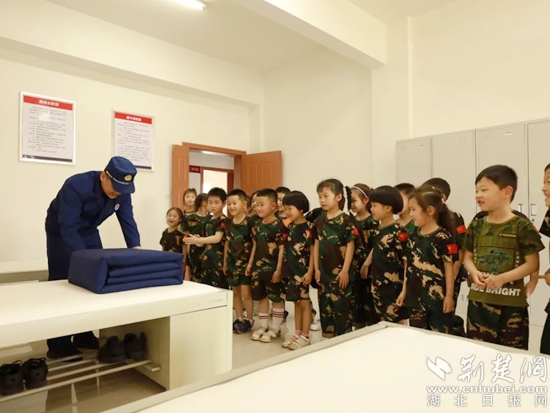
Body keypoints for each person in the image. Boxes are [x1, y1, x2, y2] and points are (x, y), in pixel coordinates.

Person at [45, 156, 141, 359]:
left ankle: (83, 334)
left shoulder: (122, 192)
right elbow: (68, 226)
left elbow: (127, 220)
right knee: (63, 281)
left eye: (122, 189)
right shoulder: (77, 185)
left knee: (94, 279)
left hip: (88, 231)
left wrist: (136, 247)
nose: (117, 193)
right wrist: (83, 259)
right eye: (114, 187)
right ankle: (58, 344)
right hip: (61, 231)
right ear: (103, 176)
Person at [463, 165, 544, 349]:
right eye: (476, 191)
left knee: (511, 356)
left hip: (511, 306)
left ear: (507, 192)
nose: (478, 195)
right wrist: (474, 272)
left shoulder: (522, 226)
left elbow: (532, 264)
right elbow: (467, 257)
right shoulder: (476, 225)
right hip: (478, 305)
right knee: (478, 353)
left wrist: (502, 279)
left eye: (484, 190)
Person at [403, 186, 457, 334]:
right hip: (415, 298)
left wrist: (449, 296)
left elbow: (449, 268)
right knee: (417, 336)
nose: (411, 214)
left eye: (414, 209)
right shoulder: (413, 235)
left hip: (437, 299)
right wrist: (404, 291)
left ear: (430, 211)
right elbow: (408, 265)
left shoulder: (443, 237)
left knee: (438, 337)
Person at [314, 179, 358, 338]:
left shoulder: (346, 221)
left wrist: (345, 270)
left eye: (326, 196)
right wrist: (316, 269)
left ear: (338, 197)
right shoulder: (319, 221)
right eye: (320, 197)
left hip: (340, 275)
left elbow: (351, 246)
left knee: (342, 312)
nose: (322, 200)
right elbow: (316, 244)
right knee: (326, 312)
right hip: (324, 274)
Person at [363, 186, 409, 324]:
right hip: (379, 286)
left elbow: (407, 262)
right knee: (383, 322)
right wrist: (367, 263)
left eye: (375, 206)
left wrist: (404, 291)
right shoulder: (378, 229)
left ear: (388, 208)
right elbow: (378, 246)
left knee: (398, 324)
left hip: (394, 289)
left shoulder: (399, 232)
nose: (371, 209)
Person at [247, 189, 287, 342]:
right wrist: (250, 264)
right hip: (258, 269)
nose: (258, 208)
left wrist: (278, 270)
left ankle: (275, 328)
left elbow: (282, 249)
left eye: (262, 204)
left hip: (273, 269)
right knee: (261, 297)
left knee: (275, 298)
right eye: (256, 205)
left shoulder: (279, 225)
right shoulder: (257, 225)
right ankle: (263, 326)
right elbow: (255, 246)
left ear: (273, 206)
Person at [422, 178, 468, 308]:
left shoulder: (455, 217)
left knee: (445, 310)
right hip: (427, 274)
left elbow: (461, 246)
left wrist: (454, 272)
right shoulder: (422, 218)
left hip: (449, 272)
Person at [281, 191, 315, 350]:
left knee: (305, 302)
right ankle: (297, 332)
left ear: (301, 208)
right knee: (296, 302)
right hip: (291, 270)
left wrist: (310, 272)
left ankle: (305, 335)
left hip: (303, 271)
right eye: (285, 209)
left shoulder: (309, 228)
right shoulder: (290, 226)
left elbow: (313, 251)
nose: (287, 212)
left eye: (290, 208)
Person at [225, 189, 255, 333]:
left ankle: (249, 319)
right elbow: (227, 243)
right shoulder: (228, 223)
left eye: (234, 203)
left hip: (245, 264)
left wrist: (250, 263)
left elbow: (255, 244)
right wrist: (225, 261)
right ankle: (239, 318)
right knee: (235, 292)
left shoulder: (250, 222)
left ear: (243, 204)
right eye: (229, 204)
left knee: (246, 293)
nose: (231, 206)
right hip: (232, 262)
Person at [185, 188, 227, 289]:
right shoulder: (209, 219)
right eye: (210, 202)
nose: (213, 206)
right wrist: (197, 240)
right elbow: (206, 240)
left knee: (219, 290)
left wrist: (199, 240)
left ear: (224, 203)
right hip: (206, 261)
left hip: (218, 262)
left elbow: (217, 238)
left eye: (216, 202)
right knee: (206, 289)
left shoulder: (222, 220)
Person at [350, 183, 377, 329]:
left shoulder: (373, 222)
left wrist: (367, 263)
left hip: (370, 271)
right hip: (354, 272)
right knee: (356, 308)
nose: (352, 204)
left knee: (370, 308)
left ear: (366, 200)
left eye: (354, 200)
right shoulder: (350, 221)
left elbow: (376, 245)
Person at [180, 193, 210, 282]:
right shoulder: (191, 218)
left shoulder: (211, 218)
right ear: (204, 203)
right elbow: (180, 228)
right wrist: (191, 235)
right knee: (195, 277)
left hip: (208, 251)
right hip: (194, 251)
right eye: (210, 202)